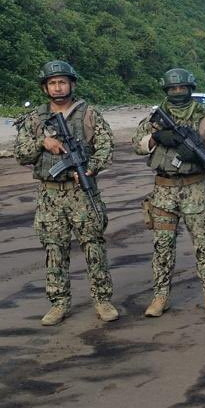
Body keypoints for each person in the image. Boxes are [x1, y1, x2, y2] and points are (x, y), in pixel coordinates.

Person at [14, 60, 119, 326]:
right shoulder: (35, 119)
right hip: (50, 194)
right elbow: (21, 154)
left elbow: (106, 147)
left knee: (94, 246)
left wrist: (91, 169)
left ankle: (102, 300)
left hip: (82, 191)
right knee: (54, 249)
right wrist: (43, 142)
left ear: (71, 84)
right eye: (52, 83)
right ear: (45, 87)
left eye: (62, 82)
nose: (58, 87)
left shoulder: (88, 114)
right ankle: (58, 303)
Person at [133, 68, 205, 318]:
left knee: (204, 245)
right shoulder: (156, 117)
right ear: (166, 90)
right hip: (164, 190)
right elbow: (137, 145)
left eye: (182, 88)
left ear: (190, 89)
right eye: (173, 88)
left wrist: (201, 158)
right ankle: (160, 296)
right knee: (162, 246)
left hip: (195, 188)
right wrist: (155, 137)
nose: (178, 92)